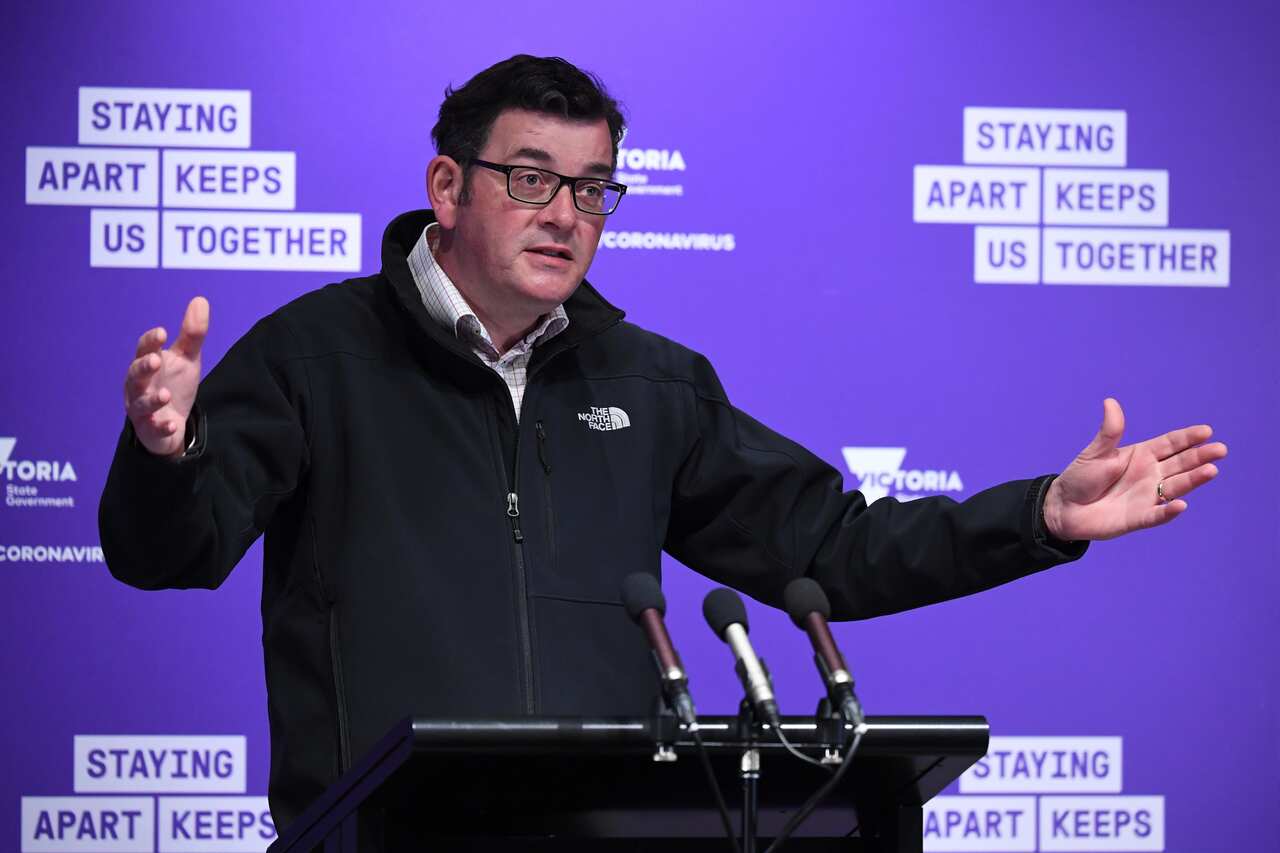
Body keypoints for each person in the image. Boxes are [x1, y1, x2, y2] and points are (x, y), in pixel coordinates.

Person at [98, 55, 1226, 832]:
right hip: (381, 834)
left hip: (607, 833)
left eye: (592, 190)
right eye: (530, 179)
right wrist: (162, 454)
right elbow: (167, 552)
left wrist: (1039, 515)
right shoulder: (314, 356)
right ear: (447, 186)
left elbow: (829, 548)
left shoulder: (649, 384)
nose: (564, 214)